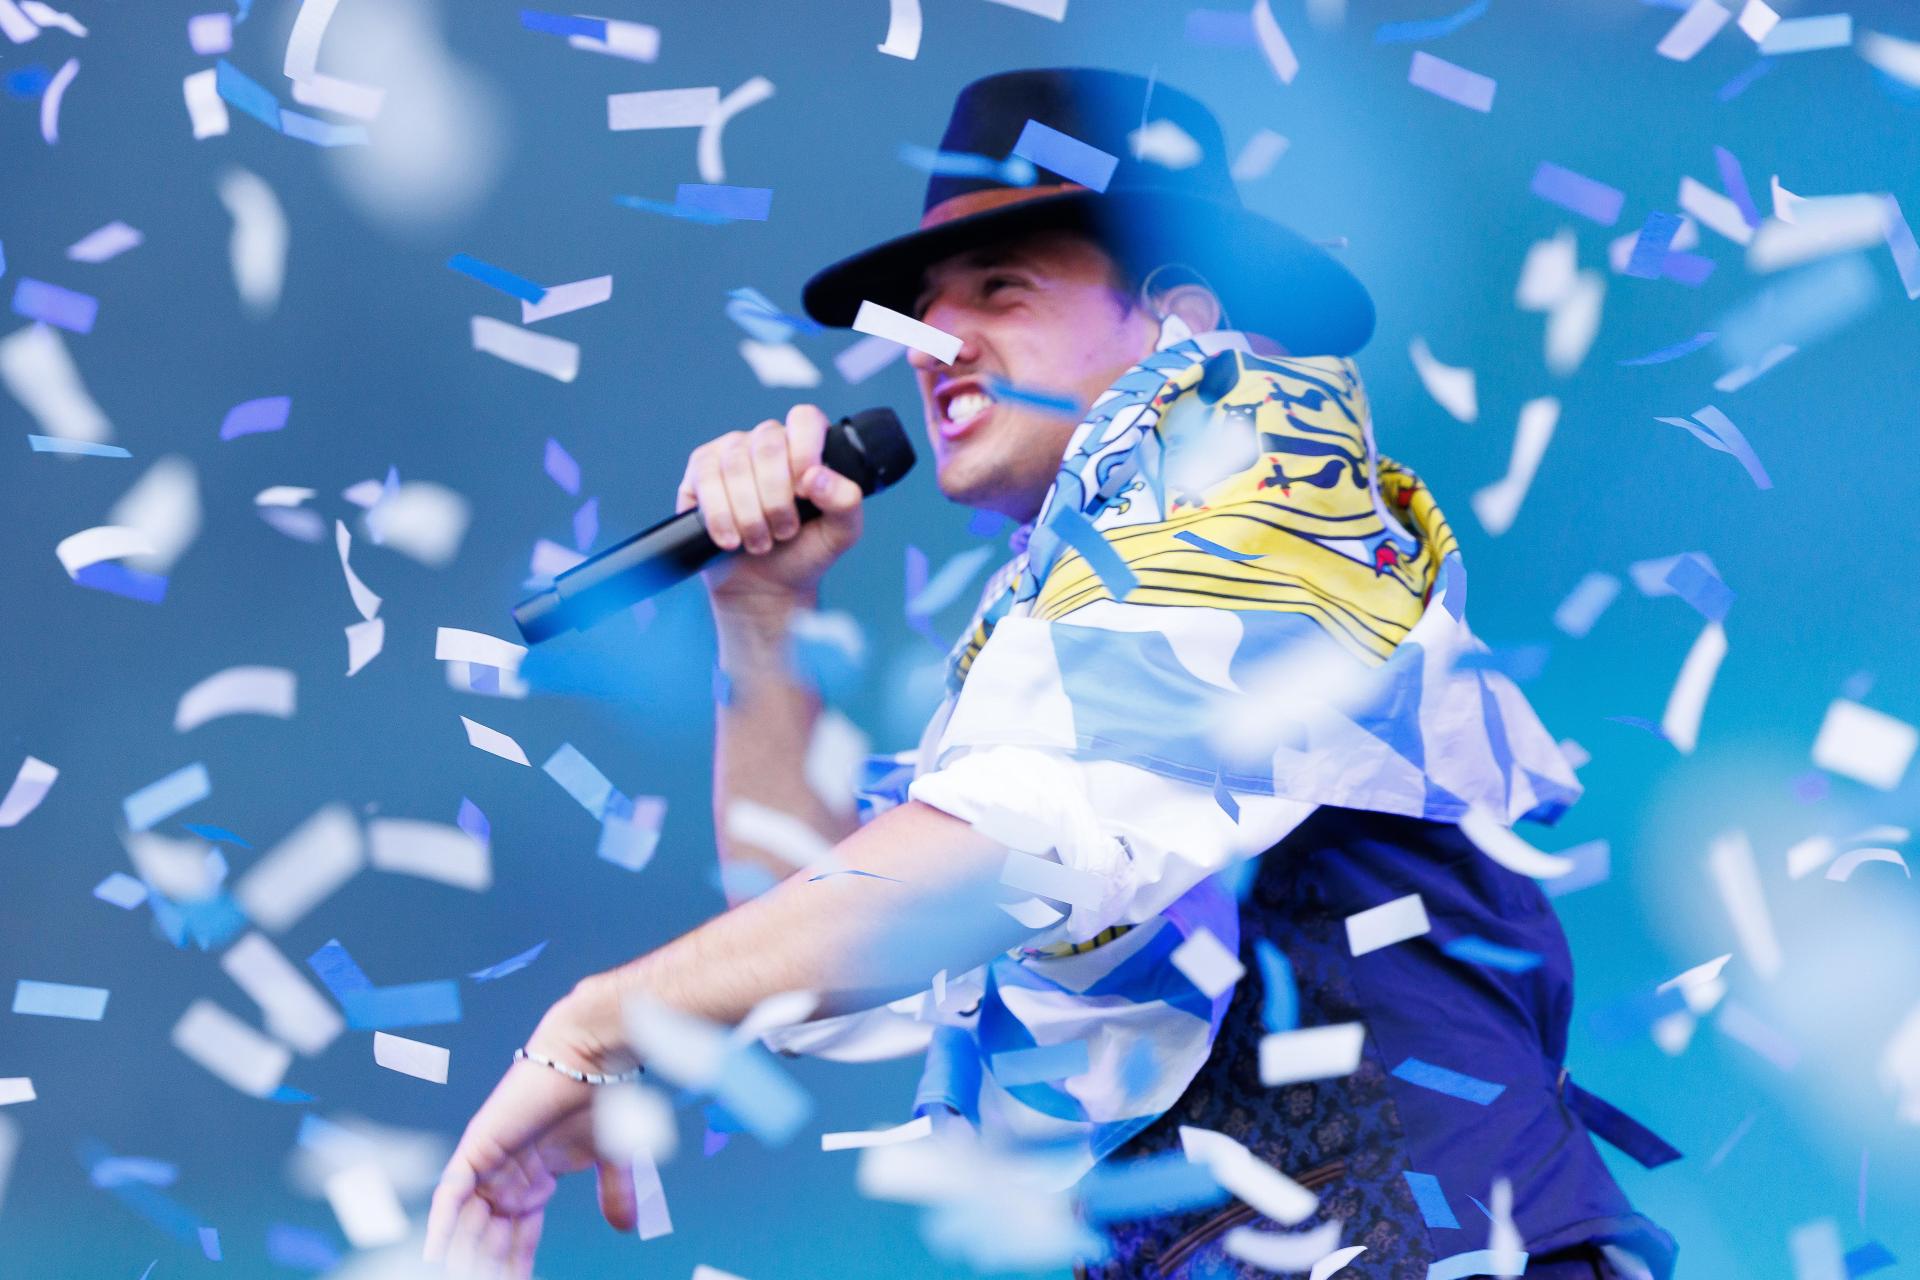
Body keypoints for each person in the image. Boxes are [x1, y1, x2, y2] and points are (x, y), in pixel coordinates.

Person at [424, 68, 1677, 1280]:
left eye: (1003, 286)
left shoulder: (1250, 476)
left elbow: (992, 862)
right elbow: (831, 942)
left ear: (1179, 319)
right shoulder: (1077, 596)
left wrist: (607, 1017)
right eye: (923, 306)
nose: (934, 342)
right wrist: (762, 610)